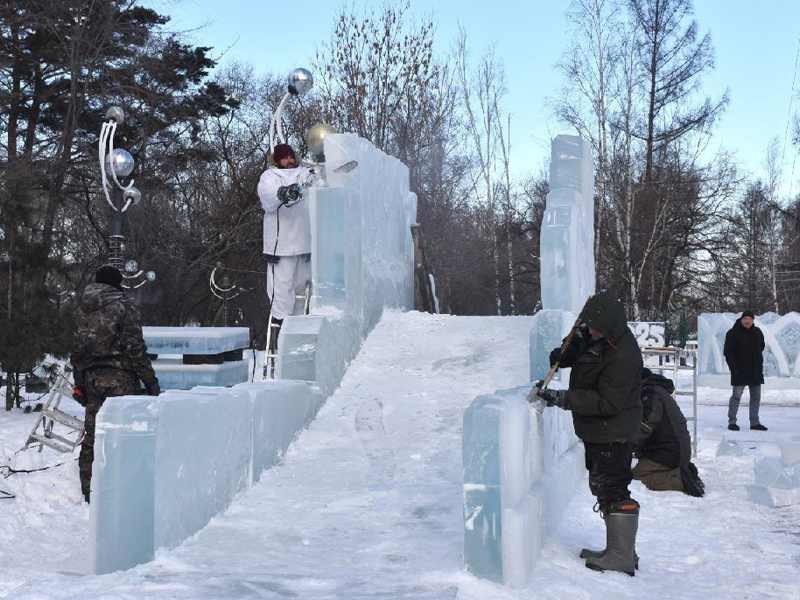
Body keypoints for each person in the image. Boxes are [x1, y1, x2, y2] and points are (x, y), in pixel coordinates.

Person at [534, 290, 643, 576]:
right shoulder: (596, 336)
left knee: (614, 486)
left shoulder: (624, 355)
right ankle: (620, 550)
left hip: (614, 429)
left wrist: (563, 398)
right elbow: (581, 348)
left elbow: (608, 402)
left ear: (610, 327)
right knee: (604, 486)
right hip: (600, 429)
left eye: (596, 328)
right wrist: (566, 352)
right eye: (589, 325)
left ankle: (621, 555)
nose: (591, 331)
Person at [70, 265, 160, 503]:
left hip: (91, 379)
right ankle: (122, 490)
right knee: (123, 434)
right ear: (117, 283)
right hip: (120, 380)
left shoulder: (82, 311)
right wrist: (150, 381)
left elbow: (78, 349)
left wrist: (79, 384)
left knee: (92, 434)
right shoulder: (125, 308)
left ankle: (89, 490)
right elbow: (135, 348)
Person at [256, 144, 314, 352]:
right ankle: (281, 340)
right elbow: (266, 195)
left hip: (304, 244)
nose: (289, 161)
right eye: (285, 158)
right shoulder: (270, 177)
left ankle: (297, 341)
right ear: (277, 160)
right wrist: (282, 193)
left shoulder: (305, 174)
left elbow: (317, 185)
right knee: (281, 293)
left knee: (301, 293)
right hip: (280, 248)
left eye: (291, 157)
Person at [631, 368, 705, 497]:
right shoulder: (656, 391)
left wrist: (625, 444)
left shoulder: (651, 394)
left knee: (634, 478)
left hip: (667, 453)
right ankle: (682, 471)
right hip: (673, 451)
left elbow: (645, 426)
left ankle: (679, 479)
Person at [723, 310, 766, 431]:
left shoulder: (757, 332)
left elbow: (761, 346)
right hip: (739, 370)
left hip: (755, 370)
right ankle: (732, 422)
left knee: (756, 397)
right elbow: (728, 352)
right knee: (736, 396)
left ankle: (754, 422)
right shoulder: (732, 333)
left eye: (750, 319)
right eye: (745, 318)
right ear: (741, 319)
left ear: (753, 321)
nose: (747, 321)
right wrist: (733, 368)